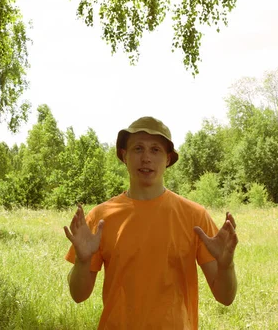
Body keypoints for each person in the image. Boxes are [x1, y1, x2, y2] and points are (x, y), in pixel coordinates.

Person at [64, 116, 238, 329]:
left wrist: (226, 265)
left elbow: (225, 297)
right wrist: (83, 261)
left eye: (155, 150)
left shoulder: (195, 217)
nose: (146, 157)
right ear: (124, 155)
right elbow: (78, 295)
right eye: (138, 149)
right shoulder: (100, 218)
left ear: (168, 159)